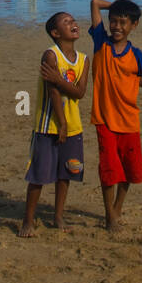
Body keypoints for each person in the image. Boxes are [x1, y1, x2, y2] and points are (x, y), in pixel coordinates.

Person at [87, 0, 142, 231]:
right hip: (105, 120)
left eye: (123, 22)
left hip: (129, 121)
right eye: (114, 21)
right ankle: (109, 215)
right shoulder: (101, 43)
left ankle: (117, 209)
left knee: (129, 171)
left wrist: (134, 81)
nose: (117, 26)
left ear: (134, 26)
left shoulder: (136, 55)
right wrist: (118, 6)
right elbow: (95, 2)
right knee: (109, 171)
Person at [19, 12, 88, 234]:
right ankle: (28, 220)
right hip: (48, 125)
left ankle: (58, 217)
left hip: (73, 125)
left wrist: (59, 79)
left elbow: (79, 93)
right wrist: (61, 124)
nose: (73, 24)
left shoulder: (84, 60)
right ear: (56, 33)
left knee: (65, 173)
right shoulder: (50, 56)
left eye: (73, 21)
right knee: (39, 175)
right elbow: (53, 94)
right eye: (66, 22)